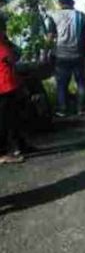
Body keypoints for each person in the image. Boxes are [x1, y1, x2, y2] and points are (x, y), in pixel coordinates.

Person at [47, 0, 85, 117]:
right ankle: (81, 109)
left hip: (61, 56)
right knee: (81, 83)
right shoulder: (82, 16)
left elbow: (50, 37)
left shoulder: (53, 16)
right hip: (79, 55)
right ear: (72, 1)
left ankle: (62, 110)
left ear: (60, 2)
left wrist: (46, 52)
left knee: (61, 85)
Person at [0, 14, 25, 164]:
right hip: (4, 84)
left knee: (13, 117)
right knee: (5, 120)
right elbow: (11, 56)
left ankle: (19, 145)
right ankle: (4, 152)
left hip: (8, 83)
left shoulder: (4, 40)